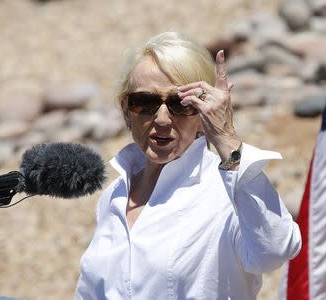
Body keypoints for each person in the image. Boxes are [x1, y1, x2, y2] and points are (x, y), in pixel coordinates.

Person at [74, 32, 301, 299]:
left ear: (204, 110)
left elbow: (275, 250)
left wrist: (226, 138)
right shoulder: (115, 194)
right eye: (145, 102)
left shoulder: (226, 192)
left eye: (180, 104)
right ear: (126, 109)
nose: (162, 119)